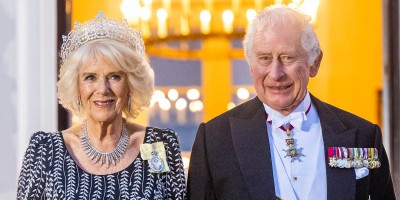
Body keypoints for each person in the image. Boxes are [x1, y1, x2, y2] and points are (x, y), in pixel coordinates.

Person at [187, 5, 395, 200]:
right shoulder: (213, 139)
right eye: (264, 58)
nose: (276, 74)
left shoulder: (364, 136)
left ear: (314, 63)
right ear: (251, 65)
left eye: (287, 57)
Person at [17, 12, 186, 200]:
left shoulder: (157, 145)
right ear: (76, 85)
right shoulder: (45, 149)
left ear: (131, 84)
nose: (103, 89)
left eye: (115, 77)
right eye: (90, 77)